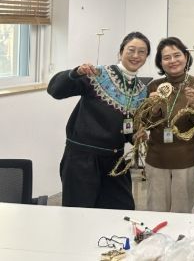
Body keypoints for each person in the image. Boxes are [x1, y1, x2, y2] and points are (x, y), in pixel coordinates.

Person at [47, 31, 151, 209]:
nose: (136, 55)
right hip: (82, 159)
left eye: (142, 52)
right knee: (79, 212)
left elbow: (128, 128)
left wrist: (136, 136)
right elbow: (55, 90)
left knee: (122, 210)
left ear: (146, 57)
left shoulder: (141, 90)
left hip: (115, 159)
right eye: (131, 50)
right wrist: (76, 72)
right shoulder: (97, 74)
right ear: (121, 52)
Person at [143, 37, 194, 213]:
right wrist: (154, 108)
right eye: (166, 57)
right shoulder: (154, 86)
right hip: (157, 157)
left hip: (186, 156)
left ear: (186, 57)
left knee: (182, 211)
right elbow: (147, 124)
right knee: (156, 209)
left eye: (177, 55)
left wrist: (193, 104)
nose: (172, 61)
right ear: (160, 62)